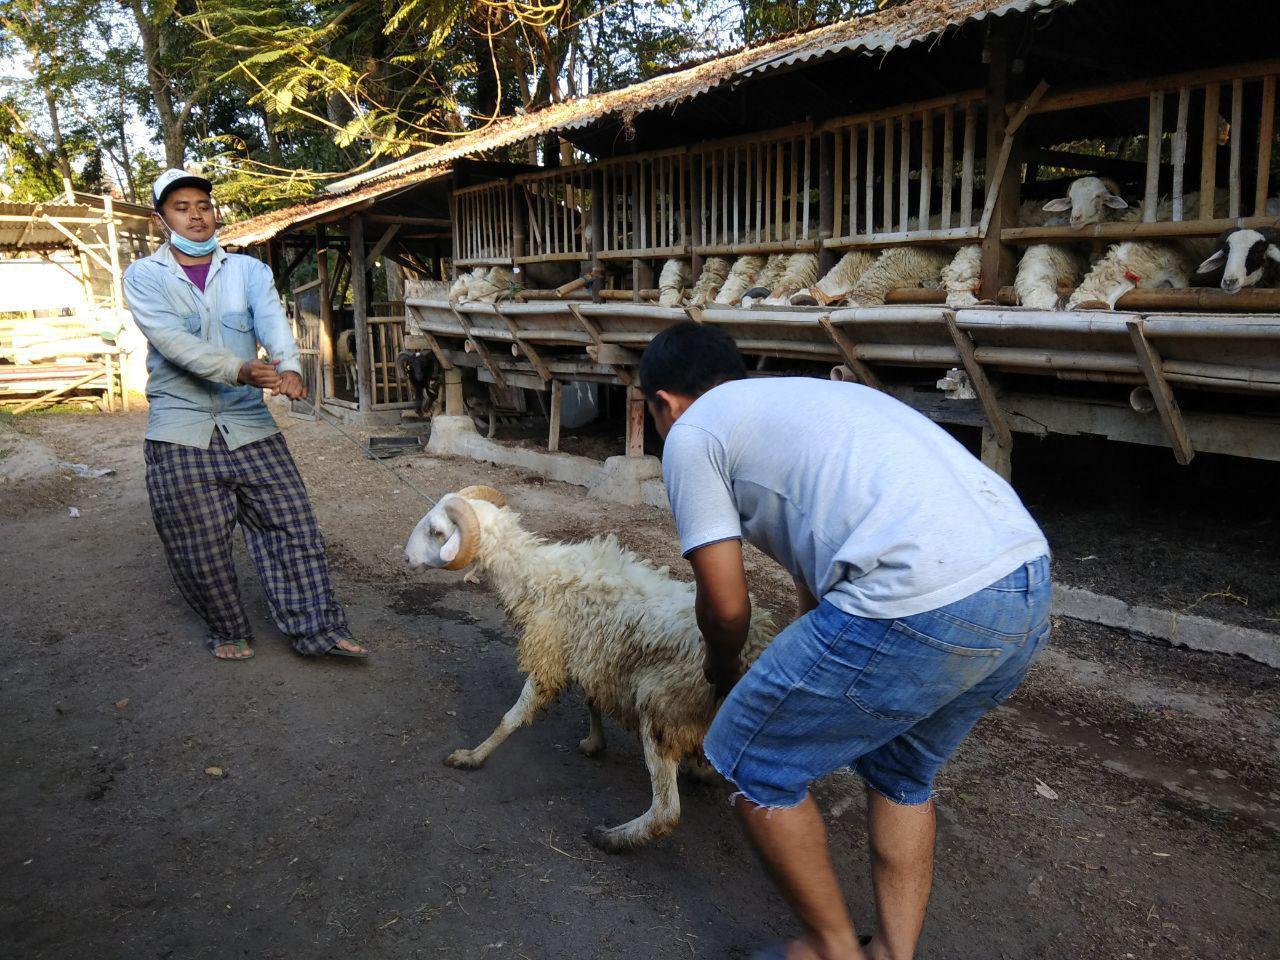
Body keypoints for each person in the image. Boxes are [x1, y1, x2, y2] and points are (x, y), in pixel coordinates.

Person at [639, 323, 1050, 960]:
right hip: (1023, 580)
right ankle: (891, 952)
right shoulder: (798, 403)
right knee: (900, 774)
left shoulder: (693, 435)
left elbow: (725, 608)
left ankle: (832, 949)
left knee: (747, 756)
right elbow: (820, 568)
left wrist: (724, 674)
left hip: (920, 595)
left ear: (662, 404)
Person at [122, 168, 367, 662]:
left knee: (291, 524)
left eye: (203, 205)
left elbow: (273, 322)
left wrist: (290, 367)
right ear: (160, 218)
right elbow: (173, 343)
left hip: (248, 424)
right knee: (199, 541)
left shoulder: (249, 271)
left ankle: (318, 628)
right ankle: (228, 627)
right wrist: (239, 368)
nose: (196, 215)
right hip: (180, 428)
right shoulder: (144, 277)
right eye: (181, 207)